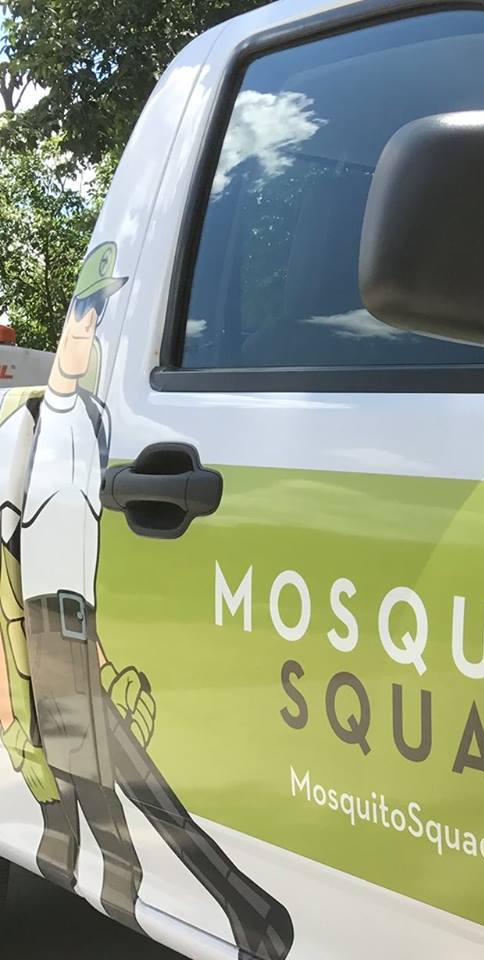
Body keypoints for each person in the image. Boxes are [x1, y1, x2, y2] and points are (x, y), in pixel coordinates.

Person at [2, 242, 294, 960]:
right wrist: (16, 675)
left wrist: (97, 645)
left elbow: (80, 556)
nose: (85, 332)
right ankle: (230, 900)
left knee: (108, 768)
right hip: (42, 630)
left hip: (73, 624)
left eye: (95, 319)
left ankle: (228, 900)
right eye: (82, 317)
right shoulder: (31, 426)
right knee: (106, 771)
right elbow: (11, 559)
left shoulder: (97, 428)